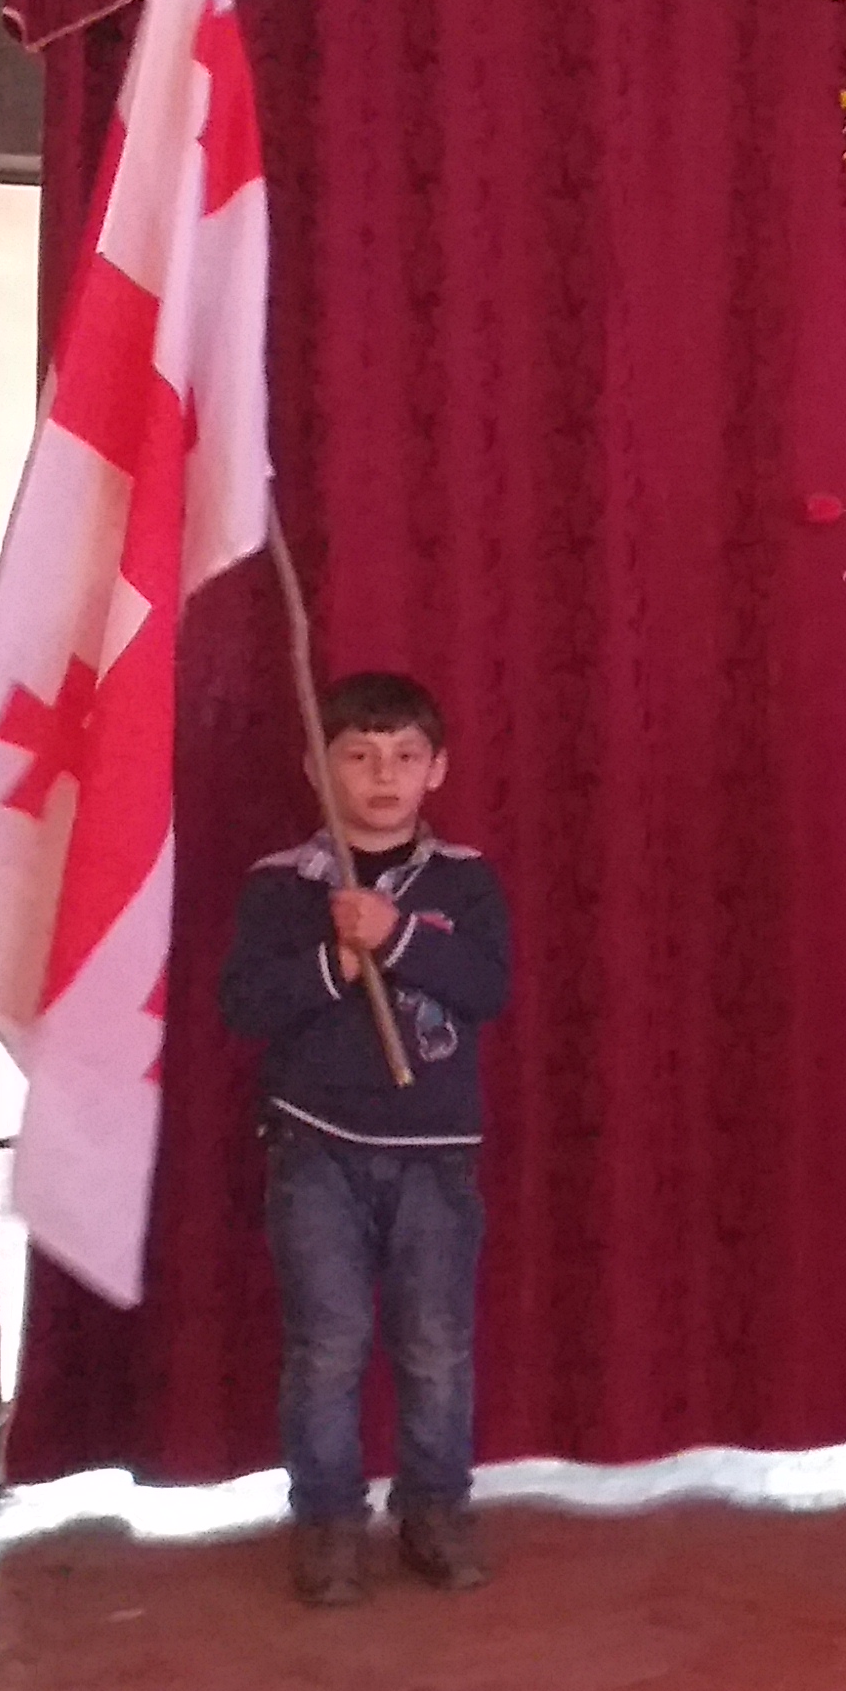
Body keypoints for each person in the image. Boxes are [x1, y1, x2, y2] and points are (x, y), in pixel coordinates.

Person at [215, 672, 515, 1608]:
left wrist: (397, 937)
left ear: (437, 770)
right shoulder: (280, 885)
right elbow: (244, 1005)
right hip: (316, 1148)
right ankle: (329, 1521)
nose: (383, 775)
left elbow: (488, 988)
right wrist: (337, 961)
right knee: (329, 1344)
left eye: (404, 756)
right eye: (358, 755)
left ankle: (435, 1508)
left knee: (434, 1343)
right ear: (317, 766)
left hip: (437, 1153)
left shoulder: (464, 880)